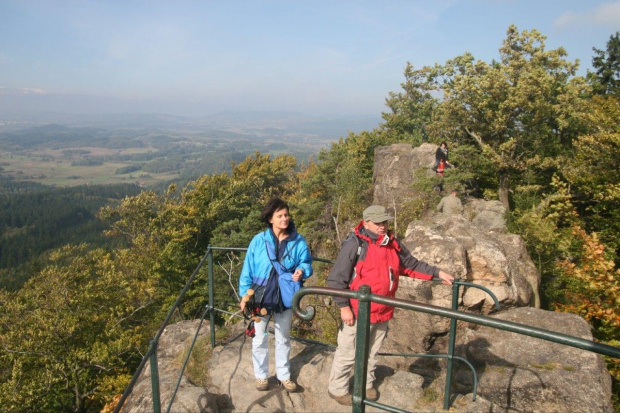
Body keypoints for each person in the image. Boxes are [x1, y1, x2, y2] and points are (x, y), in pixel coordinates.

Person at [327, 205, 454, 405]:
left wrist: (437, 273)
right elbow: (336, 279)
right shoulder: (355, 244)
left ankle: (365, 384)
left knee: (372, 352)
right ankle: (337, 388)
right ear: (366, 222)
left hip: (383, 310)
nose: (382, 226)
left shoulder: (392, 243)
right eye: (377, 223)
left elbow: (411, 265)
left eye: (384, 222)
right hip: (358, 310)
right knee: (348, 352)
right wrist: (344, 307)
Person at [239, 198, 313, 392]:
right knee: (260, 337)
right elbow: (247, 269)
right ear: (270, 218)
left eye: (286, 215)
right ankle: (261, 376)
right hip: (260, 295)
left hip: (285, 295)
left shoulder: (298, 240)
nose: (284, 219)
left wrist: (302, 271)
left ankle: (284, 375)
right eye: (279, 216)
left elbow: (306, 262)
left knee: (283, 337)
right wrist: (243, 296)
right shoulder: (259, 240)